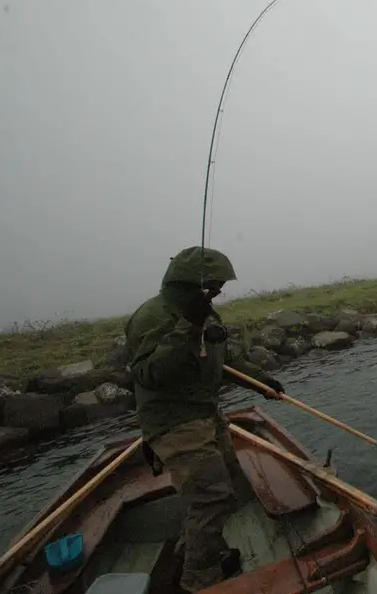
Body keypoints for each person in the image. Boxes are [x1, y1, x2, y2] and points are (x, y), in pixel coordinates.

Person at [124, 245, 286, 593]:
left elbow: (223, 361)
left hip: (205, 414)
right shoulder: (152, 316)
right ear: (187, 284)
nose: (218, 291)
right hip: (174, 422)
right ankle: (198, 581)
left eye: (219, 285)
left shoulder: (207, 314)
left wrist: (261, 382)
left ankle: (193, 550)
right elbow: (151, 373)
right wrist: (189, 325)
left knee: (224, 481)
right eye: (212, 285)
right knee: (211, 498)